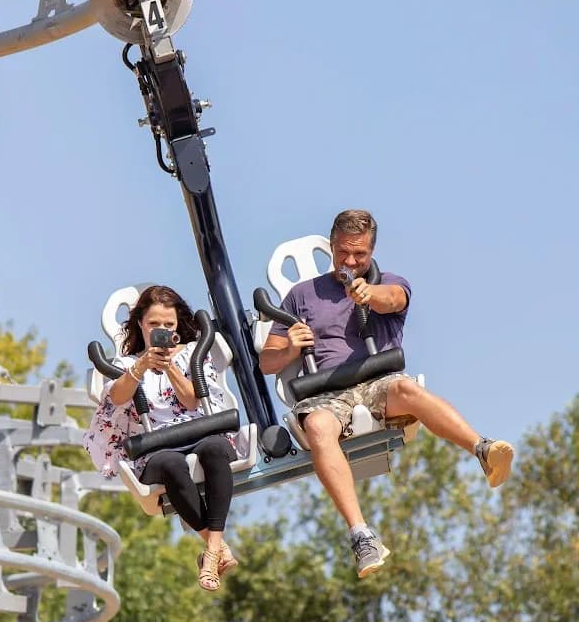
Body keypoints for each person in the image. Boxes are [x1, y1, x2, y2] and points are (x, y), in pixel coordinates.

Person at [259, 209, 514, 579]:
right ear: (331, 246)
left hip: (377, 381)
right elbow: (268, 362)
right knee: (316, 426)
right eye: (343, 252)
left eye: (359, 254)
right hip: (326, 393)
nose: (350, 261)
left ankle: (483, 449)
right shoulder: (301, 296)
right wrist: (289, 349)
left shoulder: (389, 282)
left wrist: (368, 293)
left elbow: (394, 299)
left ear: (372, 251)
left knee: (407, 388)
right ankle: (362, 536)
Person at [83, 285, 240, 591]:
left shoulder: (192, 354)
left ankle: (212, 550)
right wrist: (142, 367)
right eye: (155, 324)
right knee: (171, 464)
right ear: (140, 324)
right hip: (155, 444)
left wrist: (169, 368)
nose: (162, 331)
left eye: (168, 325)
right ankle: (216, 549)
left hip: (196, 430)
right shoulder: (127, 366)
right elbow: (116, 398)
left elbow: (194, 400)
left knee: (216, 448)